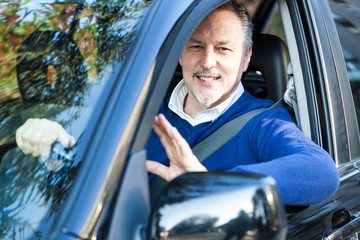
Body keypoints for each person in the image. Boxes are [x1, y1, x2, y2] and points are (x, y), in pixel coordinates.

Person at [15, 1, 339, 206]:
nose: (207, 62)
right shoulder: (141, 111)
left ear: (246, 58)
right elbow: (91, 172)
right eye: (196, 45)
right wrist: (56, 143)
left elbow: (322, 173)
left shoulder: (264, 123)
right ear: (180, 54)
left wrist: (210, 186)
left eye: (223, 49)